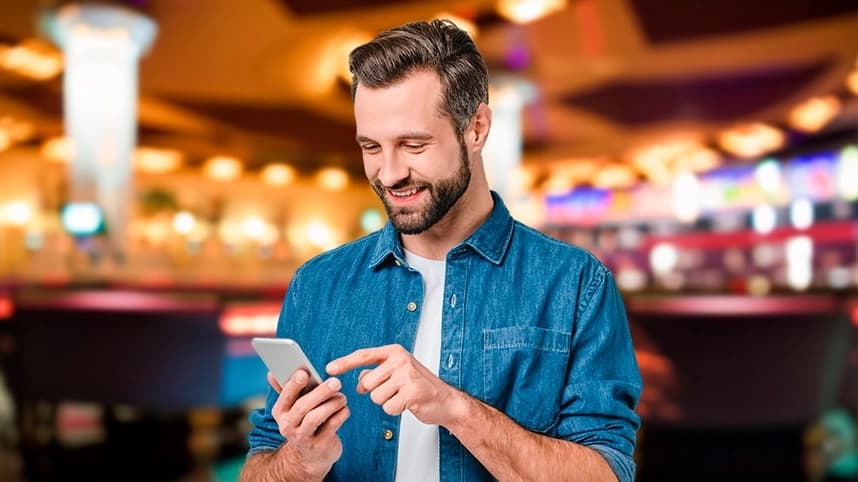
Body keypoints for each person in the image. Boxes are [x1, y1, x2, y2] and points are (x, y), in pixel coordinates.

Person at [240, 19, 641, 482]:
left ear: (476, 128)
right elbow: (261, 462)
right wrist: (302, 460)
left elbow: (607, 474)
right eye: (371, 146)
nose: (389, 174)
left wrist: (455, 408)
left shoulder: (575, 285)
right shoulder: (316, 285)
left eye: (414, 145)